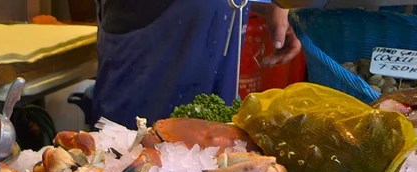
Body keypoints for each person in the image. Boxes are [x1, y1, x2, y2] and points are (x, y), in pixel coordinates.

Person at [91, 0, 303, 128]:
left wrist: (273, 4)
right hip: (147, 38)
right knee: (130, 163)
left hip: (215, 21)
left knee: (214, 157)